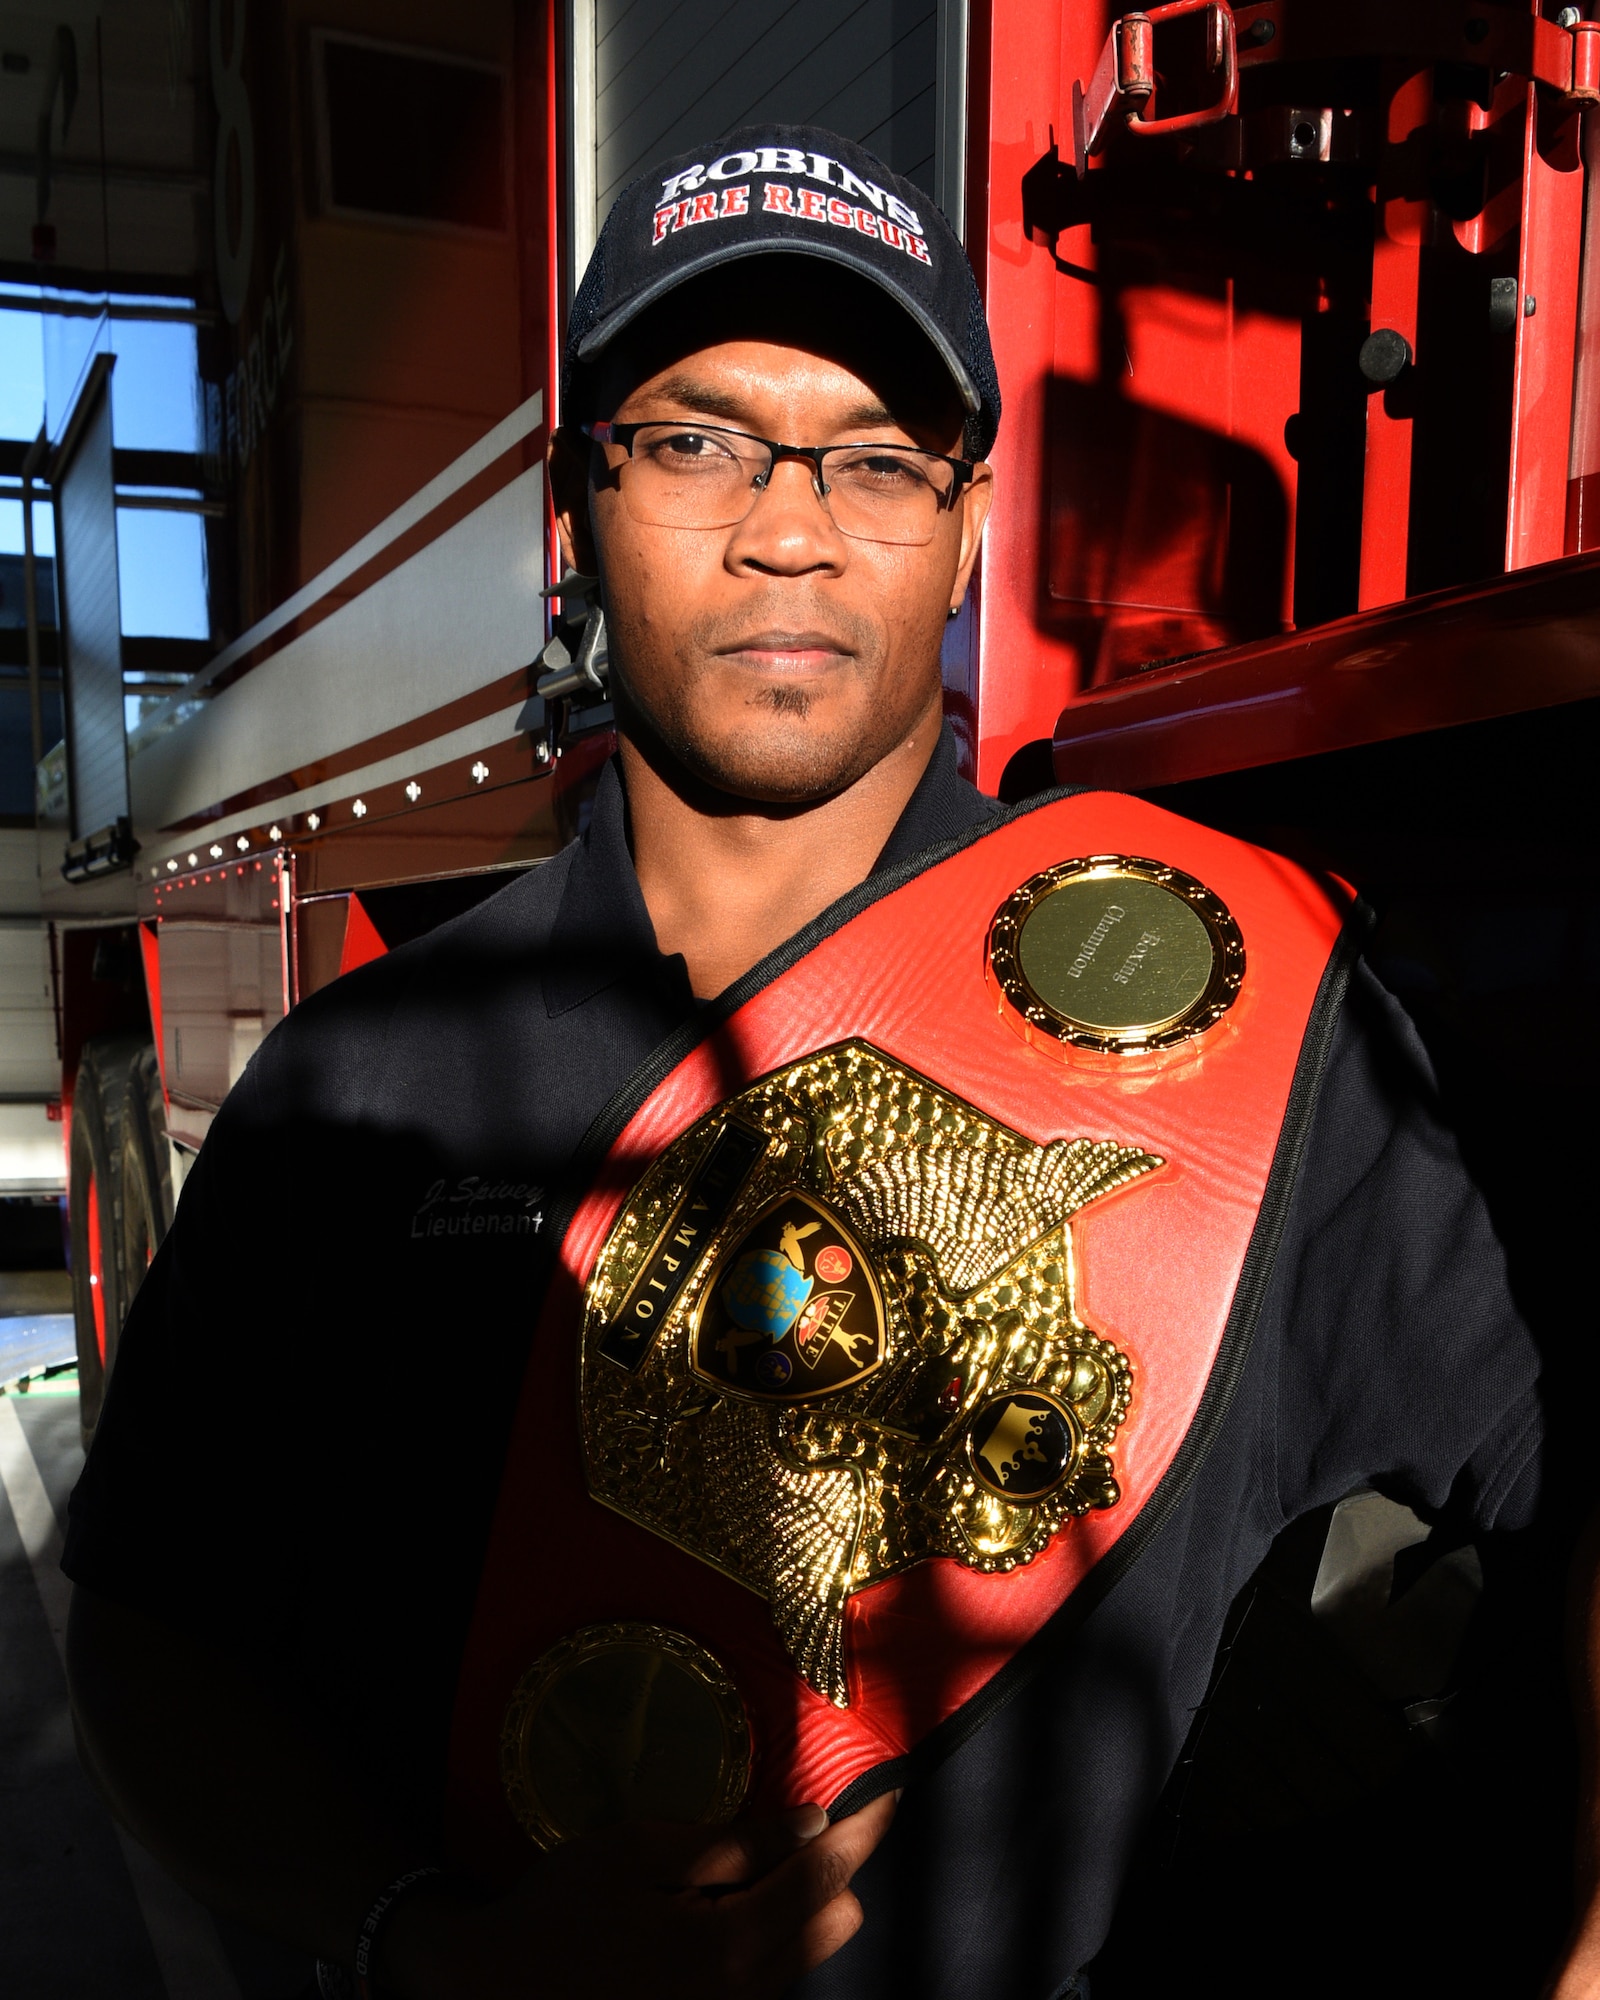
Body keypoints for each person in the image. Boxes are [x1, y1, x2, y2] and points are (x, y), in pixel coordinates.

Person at [60, 124, 1583, 2000]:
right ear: (575, 508)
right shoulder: (355, 1091)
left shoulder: (1272, 1042)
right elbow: (152, 1629)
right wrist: (419, 1949)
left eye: (875, 459)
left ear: (968, 531)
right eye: (696, 440)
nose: (789, 526)